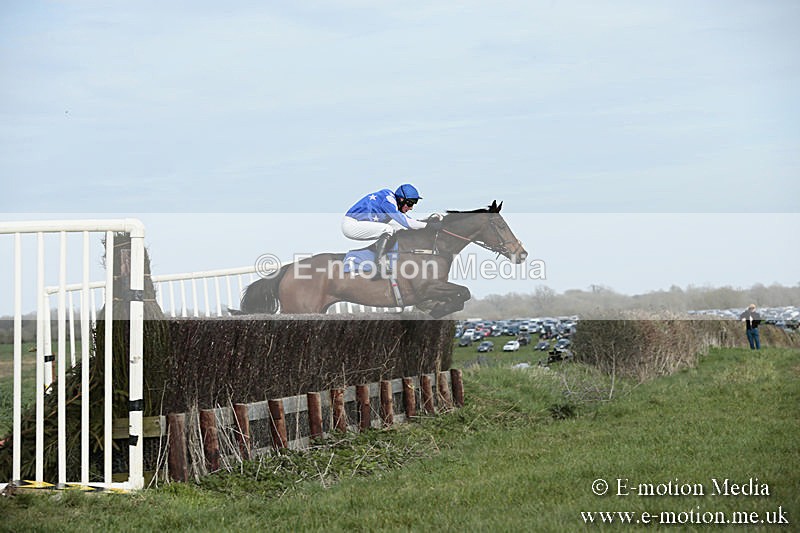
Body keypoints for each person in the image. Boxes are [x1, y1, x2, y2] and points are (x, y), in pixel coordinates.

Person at [342, 184, 442, 274]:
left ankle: (386, 257)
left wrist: (426, 221)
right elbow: (407, 223)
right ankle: (378, 263)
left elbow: (407, 222)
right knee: (387, 229)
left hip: (360, 222)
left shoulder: (391, 200)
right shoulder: (388, 201)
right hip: (351, 225)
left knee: (396, 228)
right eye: (410, 203)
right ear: (401, 200)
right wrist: (429, 226)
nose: (411, 208)